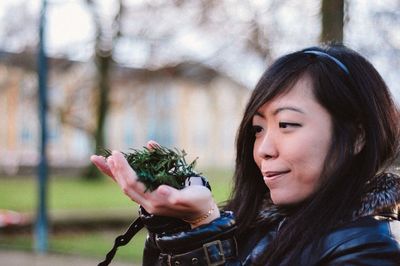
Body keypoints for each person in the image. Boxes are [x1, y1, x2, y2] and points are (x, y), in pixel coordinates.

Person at [91, 44, 400, 265]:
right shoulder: (250, 223)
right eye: (258, 129)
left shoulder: (369, 249)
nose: (264, 149)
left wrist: (204, 231)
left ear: (357, 136)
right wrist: (175, 224)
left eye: (287, 124)